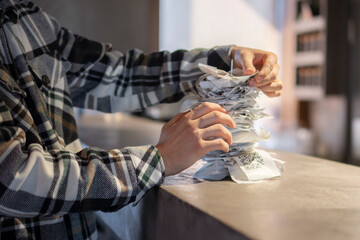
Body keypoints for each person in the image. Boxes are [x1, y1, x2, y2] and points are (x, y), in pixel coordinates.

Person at [0, 0, 282, 239]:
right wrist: (159, 159)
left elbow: (117, 74)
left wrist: (224, 61)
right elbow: (11, 179)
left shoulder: (24, 19)